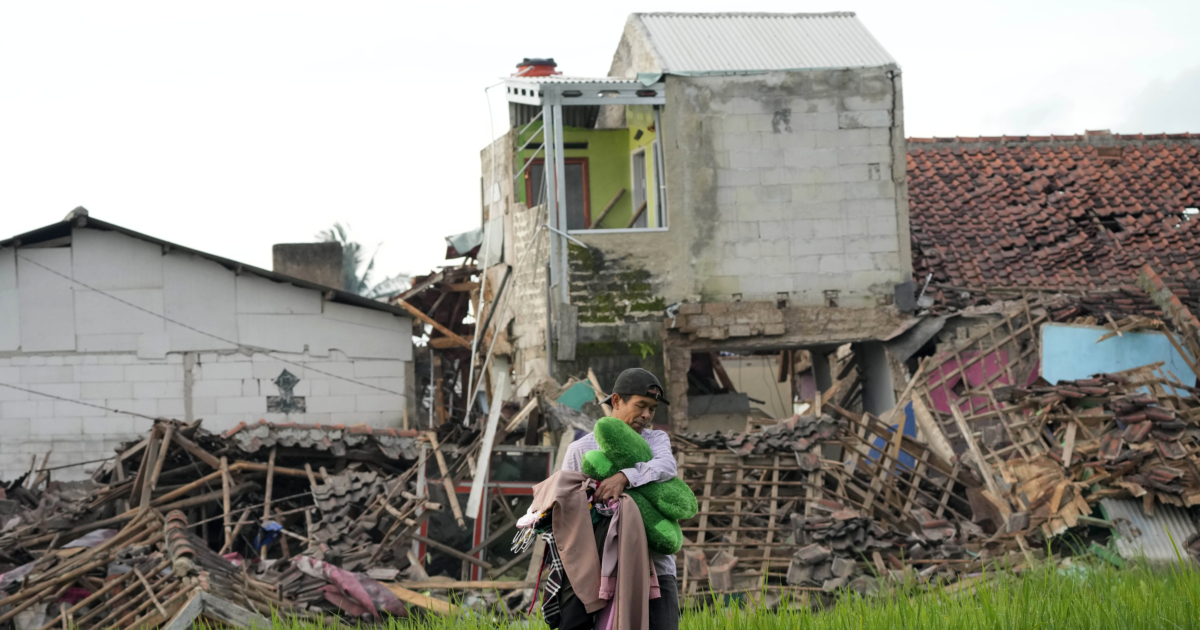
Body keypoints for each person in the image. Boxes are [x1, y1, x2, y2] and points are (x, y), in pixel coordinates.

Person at [562, 368, 679, 630]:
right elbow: (567, 509)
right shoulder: (581, 450)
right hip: (597, 570)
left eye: (652, 409)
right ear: (616, 401)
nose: (647, 415)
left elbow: (667, 466)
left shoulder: (656, 441)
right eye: (641, 406)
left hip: (656, 568)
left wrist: (625, 476)